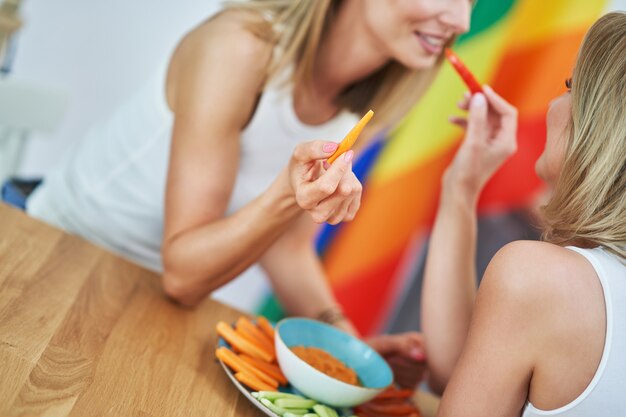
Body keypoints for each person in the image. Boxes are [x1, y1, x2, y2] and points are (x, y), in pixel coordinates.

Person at [22, 0, 471, 387]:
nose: (462, 20)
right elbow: (183, 274)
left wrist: (350, 350)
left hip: (146, 299)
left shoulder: (368, 103)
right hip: (54, 257)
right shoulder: (239, 48)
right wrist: (287, 195)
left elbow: (289, 250)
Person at [420, 11, 626, 416]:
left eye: (571, 87)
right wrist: (462, 186)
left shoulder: (539, 277)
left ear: (600, 124)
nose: (554, 104)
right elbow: (466, 368)